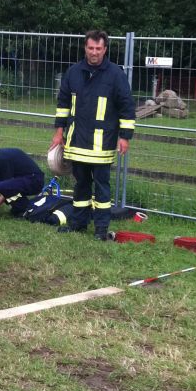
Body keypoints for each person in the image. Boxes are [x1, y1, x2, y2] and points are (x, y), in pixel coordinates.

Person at [50, 30, 136, 239]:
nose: (94, 52)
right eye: (91, 48)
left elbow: (126, 106)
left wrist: (124, 136)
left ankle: (101, 229)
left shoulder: (116, 74)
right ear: (85, 48)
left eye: (98, 48)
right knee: (80, 185)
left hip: (102, 143)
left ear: (105, 49)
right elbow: (63, 104)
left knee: (102, 188)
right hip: (77, 140)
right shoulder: (73, 72)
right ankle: (78, 223)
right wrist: (58, 132)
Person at [0, 141, 45, 217]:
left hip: (35, 180)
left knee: (3, 186)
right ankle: (18, 207)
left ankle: (24, 208)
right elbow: (2, 182)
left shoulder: (2, 159)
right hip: (23, 178)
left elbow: (6, 188)